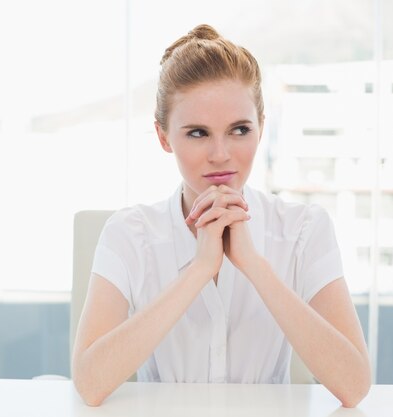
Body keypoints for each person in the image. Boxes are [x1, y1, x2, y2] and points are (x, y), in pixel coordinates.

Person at [72, 24, 371, 408]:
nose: (220, 154)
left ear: (260, 128)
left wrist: (253, 264)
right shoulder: (129, 234)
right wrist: (199, 268)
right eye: (197, 133)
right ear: (164, 137)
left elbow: (355, 385)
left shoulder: (303, 229)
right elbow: (90, 383)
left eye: (239, 130)